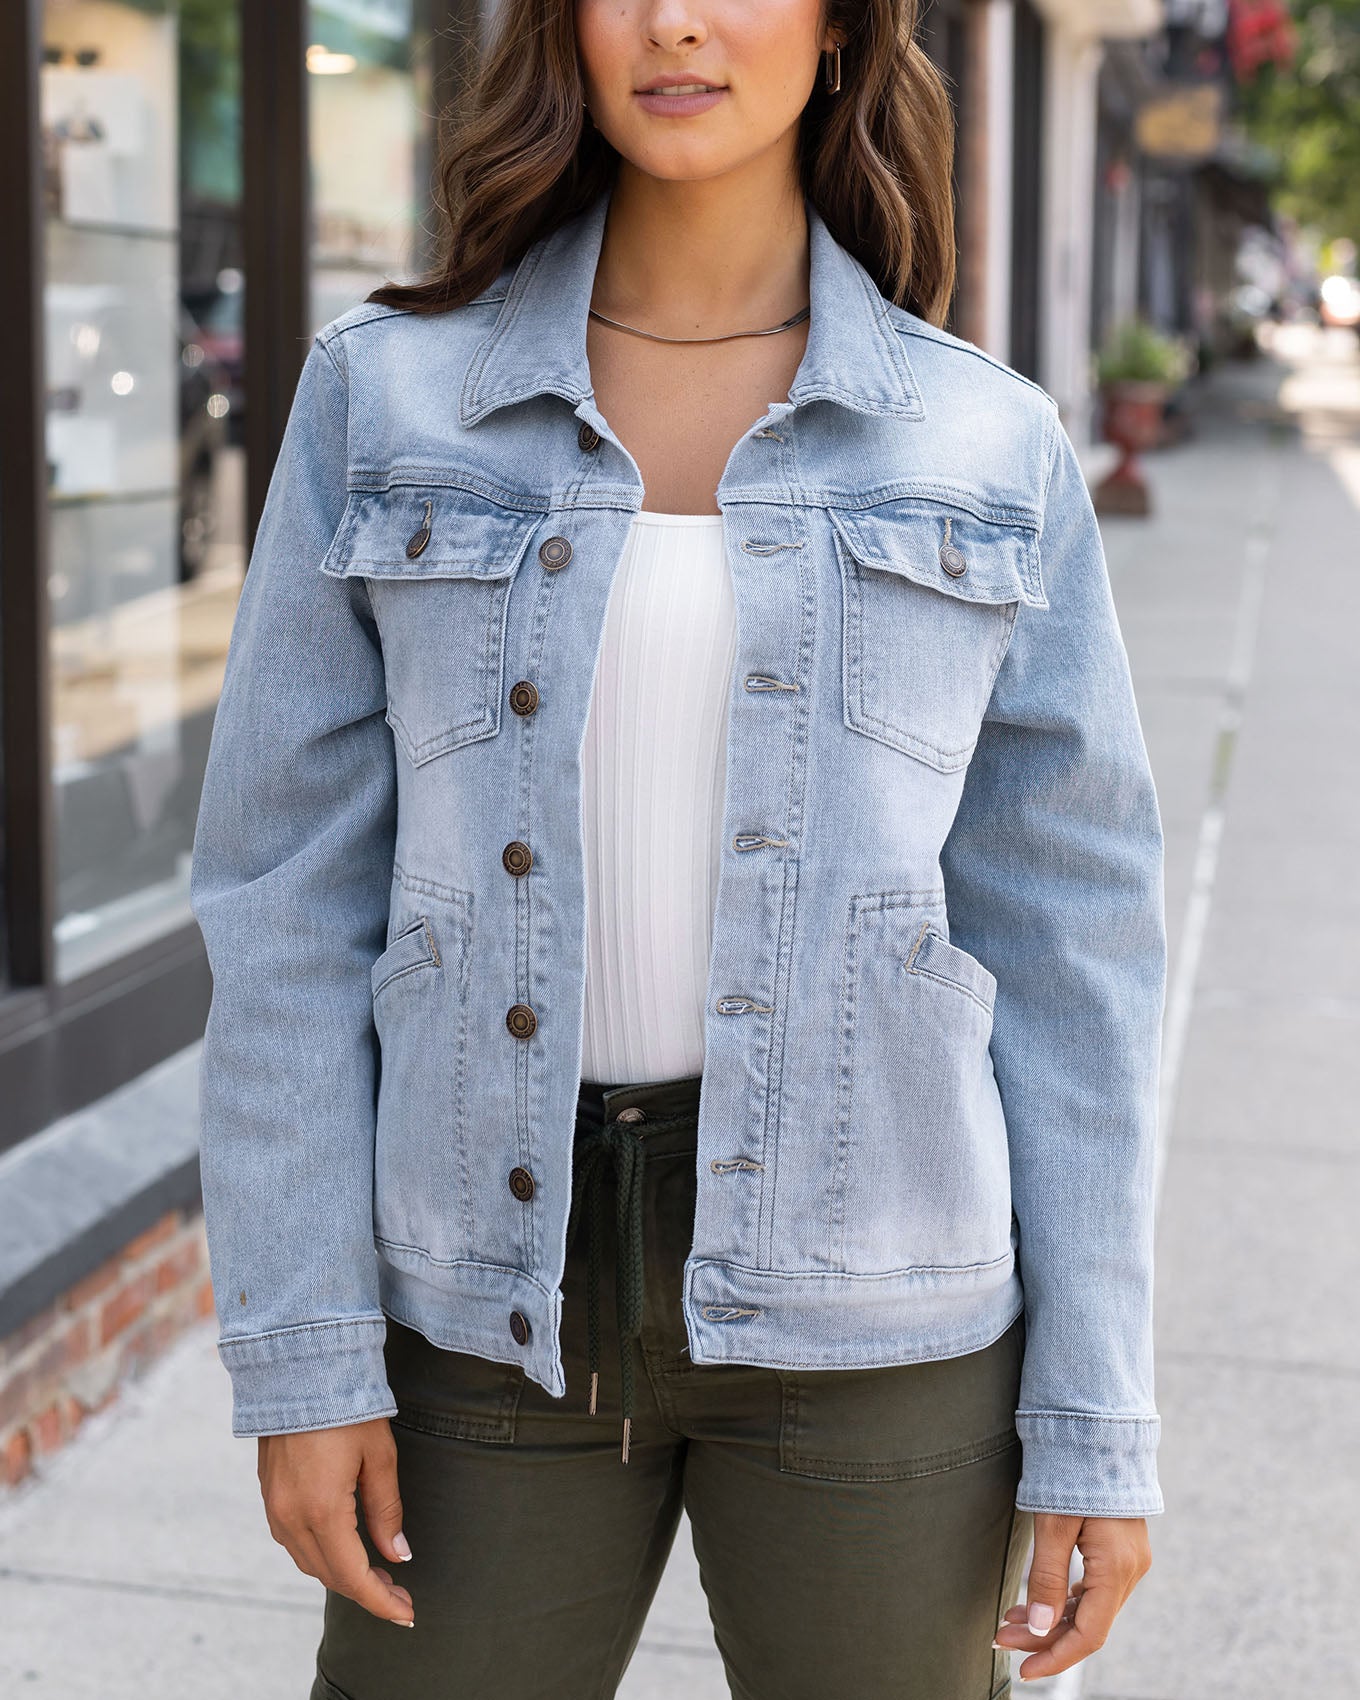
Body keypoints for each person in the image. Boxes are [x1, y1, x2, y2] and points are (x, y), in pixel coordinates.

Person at [188, 0, 1166, 1695]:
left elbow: (1076, 948)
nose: (678, 21)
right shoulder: (388, 397)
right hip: (483, 1296)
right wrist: (306, 1352)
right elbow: (285, 906)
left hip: (879, 1297)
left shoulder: (984, 442)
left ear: (847, 33)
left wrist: (1096, 1415)